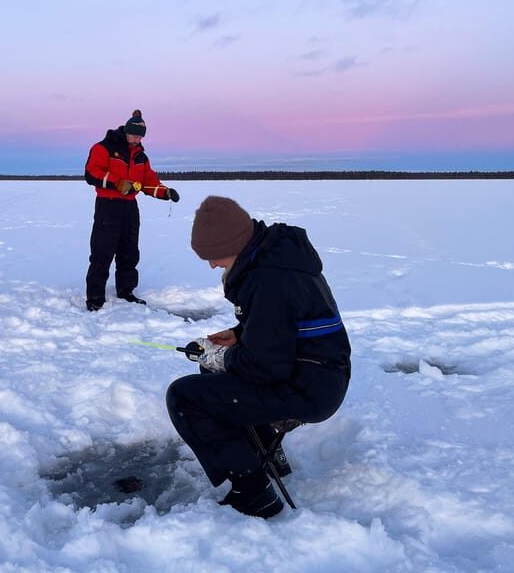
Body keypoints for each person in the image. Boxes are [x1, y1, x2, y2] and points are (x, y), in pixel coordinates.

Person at [166, 196, 351, 518]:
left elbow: (265, 368)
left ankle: (254, 492)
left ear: (233, 244)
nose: (212, 265)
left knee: (184, 398)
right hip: (318, 374)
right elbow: (287, 323)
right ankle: (266, 454)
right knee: (214, 374)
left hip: (310, 388)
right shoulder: (276, 259)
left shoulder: (269, 281)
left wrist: (221, 357)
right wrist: (241, 334)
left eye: (213, 256)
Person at [83, 109, 180, 311]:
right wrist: (118, 183)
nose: (137, 139)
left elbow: (148, 181)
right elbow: (92, 172)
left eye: (140, 137)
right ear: (126, 131)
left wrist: (165, 192)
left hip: (129, 207)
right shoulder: (104, 148)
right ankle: (95, 297)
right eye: (135, 135)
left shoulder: (140, 156)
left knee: (129, 251)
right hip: (108, 205)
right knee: (102, 252)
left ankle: (126, 291)